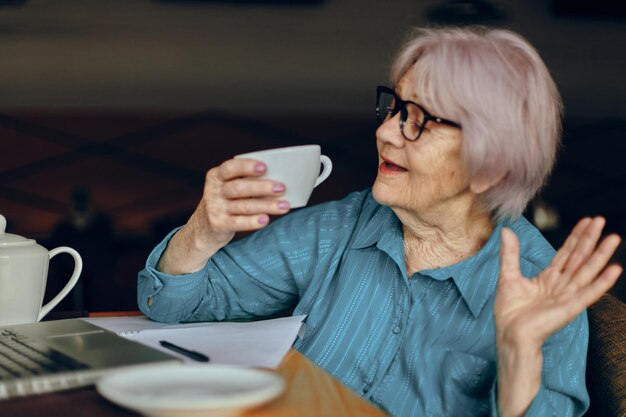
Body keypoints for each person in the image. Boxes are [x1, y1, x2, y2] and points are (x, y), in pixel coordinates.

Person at [138, 26, 622, 417]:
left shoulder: (543, 289)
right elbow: (176, 305)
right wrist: (204, 229)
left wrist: (518, 357)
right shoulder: (343, 226)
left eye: (420, 119)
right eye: (394, 107)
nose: (386, 133)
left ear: (491, 166)